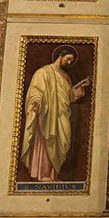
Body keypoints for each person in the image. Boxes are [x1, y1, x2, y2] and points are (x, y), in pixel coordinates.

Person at [21, 45, 90, 182]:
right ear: (61, 56)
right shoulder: (44, 72)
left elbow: (68, 97)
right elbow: (36, 90)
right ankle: (44, 174)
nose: (69, 62)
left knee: (62, 143)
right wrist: (36, 101)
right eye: (68, 59)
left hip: (62, 115)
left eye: (72, 60)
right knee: (48, 141)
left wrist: (79, 88)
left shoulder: (66, 77)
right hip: (48, 114)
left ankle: (54, 175)